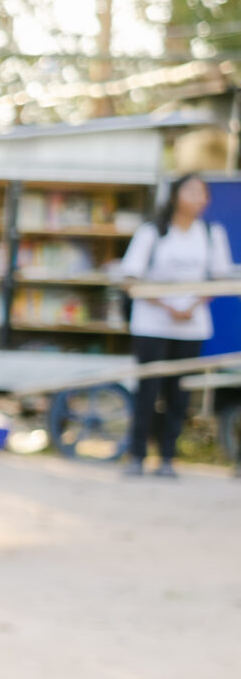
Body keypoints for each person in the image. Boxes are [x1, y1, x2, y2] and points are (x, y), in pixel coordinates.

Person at [113, 173, 232, 478]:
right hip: (152, 324)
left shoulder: (210, 233)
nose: (199, 198)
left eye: (203, 193)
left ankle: (168, 456)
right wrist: (166, 306)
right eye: (192, 191)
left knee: (179, 394)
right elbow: (130, 278)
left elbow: (219, 279)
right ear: (176, 194)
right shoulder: (153, 232)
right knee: (148, 390)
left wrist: (191, 306)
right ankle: (137, 454)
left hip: (191, 326)